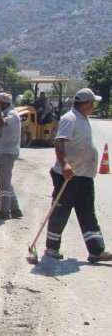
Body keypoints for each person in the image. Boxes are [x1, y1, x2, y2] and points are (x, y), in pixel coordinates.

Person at [45, 88, 110, 262]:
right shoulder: (70, 118)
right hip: (68, 176)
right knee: (60, 211)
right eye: (93, 103)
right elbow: (59, 142)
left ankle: (96, 250)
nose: (94, 106)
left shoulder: (83, 118)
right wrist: (65, 164)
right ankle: (51, 248)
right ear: (87, 103)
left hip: (84, 176)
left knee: (87, 211)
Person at [0, 93, 22, 219]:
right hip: (6, 150)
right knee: (5, 180)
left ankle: (4, 210)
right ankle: (15, 208)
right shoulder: (8, 113)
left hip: (9, 152)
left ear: (5, 103)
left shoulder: (12, 115)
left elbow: (2, 123)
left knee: (3, 181)